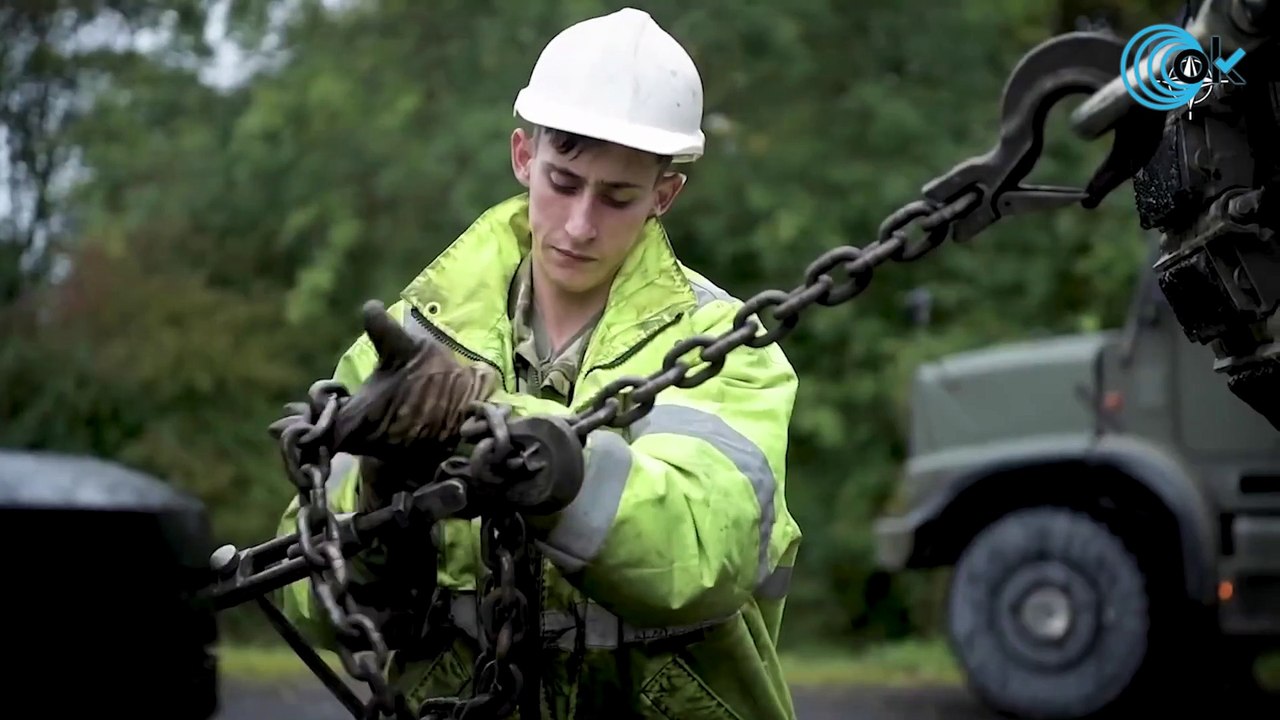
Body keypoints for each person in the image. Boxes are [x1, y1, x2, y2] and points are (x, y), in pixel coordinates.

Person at [275, 7, 803, 719]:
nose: (581, 225)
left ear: (663, 196)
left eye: (617, 197)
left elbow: (705, 553)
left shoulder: (723, 346)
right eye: (563, 181)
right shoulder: (409, 339)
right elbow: (312, 595)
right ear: (524, 156)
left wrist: (491, 422)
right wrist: (378, 495)